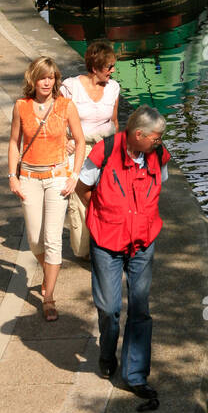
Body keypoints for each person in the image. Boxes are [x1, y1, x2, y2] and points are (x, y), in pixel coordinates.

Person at [75, 105, 170, 409]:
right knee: (109, 308)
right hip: (107, 241)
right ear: (138, 134)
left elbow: (159, 186)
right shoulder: (104, 152)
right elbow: (82, 187)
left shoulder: (158, 155)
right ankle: (107, 352)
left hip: (143, 242)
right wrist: (104, 215)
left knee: (140, 308)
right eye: (156, 137)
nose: (160, 141)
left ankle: (135, 375)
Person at [8, 57, 85, 321]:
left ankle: (49, 296)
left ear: (56, 81)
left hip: (56, 178)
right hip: (29, 177)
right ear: (33, 79)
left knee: (53, 240)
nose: (47, 82)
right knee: (34, 239)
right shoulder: (21, 106)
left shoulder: (66, 106)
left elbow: (80, 140)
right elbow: (13, 142)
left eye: (51, 78)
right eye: (42, 77)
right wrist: (12, 177)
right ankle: (48, 270)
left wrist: (74, 175)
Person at [61, 41, 120, 260]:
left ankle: (105, 245)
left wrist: (119, 148)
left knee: (107, 197)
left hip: (105, 147)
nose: (113, 71)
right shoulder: (70, 87)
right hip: (80, 148)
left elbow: (113, 120)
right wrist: (62, 140)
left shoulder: (113, 88)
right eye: (109, 67)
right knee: (81, 199)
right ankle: (85, 249)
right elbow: (57, 118)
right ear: (95, 68)